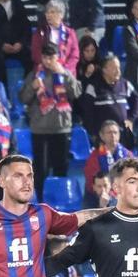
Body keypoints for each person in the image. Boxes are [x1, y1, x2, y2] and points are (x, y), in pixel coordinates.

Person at [20, 43, 81, 196]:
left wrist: (65, 75)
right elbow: (23, 98)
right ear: (41, 57)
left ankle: (60, 202)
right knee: (40, 170)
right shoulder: (34, 75)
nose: (48, 61)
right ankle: (40, 202)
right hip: (40, 130)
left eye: (51, 57)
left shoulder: (65, 73)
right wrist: (32, 88)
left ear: (57, 57)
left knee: (61, 168)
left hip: (61, 128)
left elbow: (76, 93)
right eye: (45, 57)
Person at [80, 54, 138, 146]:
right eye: (114, 68)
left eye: (119, 68)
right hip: (103, 138)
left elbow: (136, 99)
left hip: (122, 135)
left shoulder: (124, 84)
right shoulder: (93, 86)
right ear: (104, 70)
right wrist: (94, 134)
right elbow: (87, 112)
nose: (118, 71)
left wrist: (131, 119)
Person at [30, 0, 80, 76]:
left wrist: (63, 69)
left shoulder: (70, 33)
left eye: (52, 12)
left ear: (61, 15)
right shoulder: (40, 32)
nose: (48, 15)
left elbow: (74, 56)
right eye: (47, 12)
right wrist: (49, 64)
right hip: (45, 72)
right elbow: (35, 53)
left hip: (65, 72)